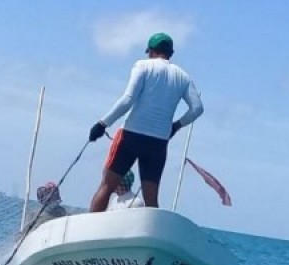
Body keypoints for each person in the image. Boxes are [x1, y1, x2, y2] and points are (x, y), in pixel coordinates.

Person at [87, 32, 204, 212]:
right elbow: (197, 109)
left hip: (130, 136)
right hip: (158, 142)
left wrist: (103, 124)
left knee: (107, 186)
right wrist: (176, 126)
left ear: (150, 51)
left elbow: (128, 99)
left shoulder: (142, 65)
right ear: (170, 53)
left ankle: (90, 229)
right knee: (151, 199)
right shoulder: (183, 77)